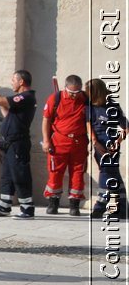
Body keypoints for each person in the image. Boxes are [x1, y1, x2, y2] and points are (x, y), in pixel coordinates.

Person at [0, 70, 37, 219]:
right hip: (9, 143)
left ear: (21, 82)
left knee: (20, 175)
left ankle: (27, 208)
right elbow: (7, 113)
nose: (12, 83)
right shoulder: (19, 99)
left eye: (13, 80)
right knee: (7, 175)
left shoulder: (26, 96)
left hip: (18, 143)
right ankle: (4, 204)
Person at [42, 75, 89, 215]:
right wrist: (46, 140)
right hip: (59, 141)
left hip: (79, 143)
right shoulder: (55, 99)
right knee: (55, 172)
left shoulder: (85, 99)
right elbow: (46, 120)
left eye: (78, 92)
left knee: (78, 174)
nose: (75, 95)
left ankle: (74, 205)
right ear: (65, 88)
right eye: (72, 92)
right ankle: (53, 202)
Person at [85, 78, 124, 220]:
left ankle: (99, 207)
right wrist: (95, 142)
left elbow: (125, 127)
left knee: (106, 174)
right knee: (113, 175)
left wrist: (116, 143)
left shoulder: (112, 106)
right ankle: (123, 207)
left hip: (110, 144)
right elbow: (89, 123)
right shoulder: (90, 106)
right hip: (99, 143)